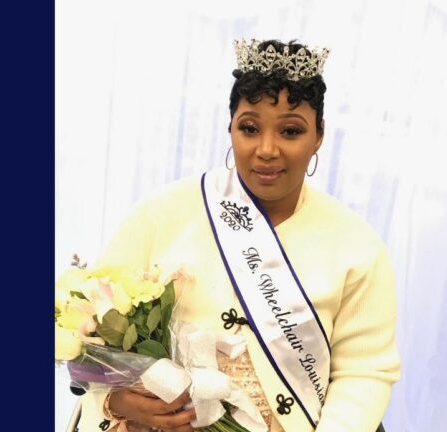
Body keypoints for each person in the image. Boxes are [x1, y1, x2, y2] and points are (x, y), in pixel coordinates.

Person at [72, 39, 400, 432]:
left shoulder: (357, 245)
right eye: (249, 128)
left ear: (319, 137)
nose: (266, 149)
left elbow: (364, 373)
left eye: (291, 131)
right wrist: (117, 403)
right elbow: (91, 344)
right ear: (230, 128)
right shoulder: (160, 214)